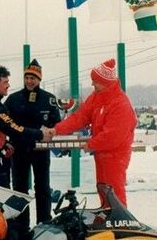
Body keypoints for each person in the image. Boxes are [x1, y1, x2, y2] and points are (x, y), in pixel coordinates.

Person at [45, 59, 137, 207]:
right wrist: (57, 130)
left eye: (95, 81)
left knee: (114, 192)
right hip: (101, 154)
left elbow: (113, 136)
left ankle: (119, 222)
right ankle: (107, 217)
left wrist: (91, 144)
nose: (92, 84)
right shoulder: (96, 97)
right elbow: (80, 116)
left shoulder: (120, 104)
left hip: (115, 156)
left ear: (105, 82)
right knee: (103, 190)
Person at [4, 59, 61, 231]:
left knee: (42, 187)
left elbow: (56, 125)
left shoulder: (49, 99)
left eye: (33, 78)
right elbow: (4, 124)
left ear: (39, 79)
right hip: (19, 150)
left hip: (41, 151)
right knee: (20, 188)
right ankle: (21, 225)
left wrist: (51, 132)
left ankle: (44, 223)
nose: (30, 81)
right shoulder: (13, 99)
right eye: (27, 77)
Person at [0, 65, 47, 188]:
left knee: (1, 190)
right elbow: (12, 128)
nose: (8, 85)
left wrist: (4, 143)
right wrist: (40, 134)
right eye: (5, 82)